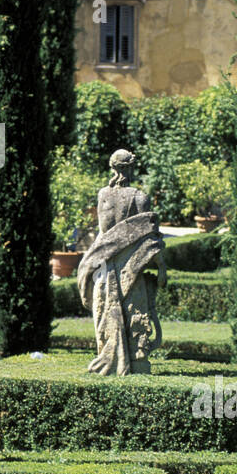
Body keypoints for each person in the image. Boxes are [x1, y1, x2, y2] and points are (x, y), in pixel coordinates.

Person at [76, 149, 168, 375]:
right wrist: (162, 268)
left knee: (104, 313)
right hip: (131, 270)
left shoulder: (102, 195)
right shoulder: (140, 198)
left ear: (112, 168)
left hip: (104, 268)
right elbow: (149, 240)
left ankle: (107, 357)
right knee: (135, 317)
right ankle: (135, 363)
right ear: (129, 168)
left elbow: (104, 237)